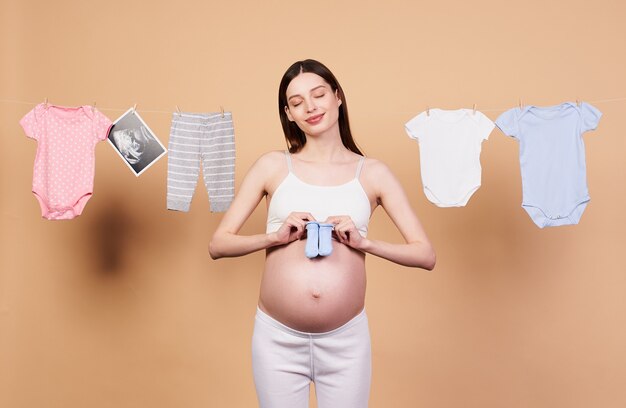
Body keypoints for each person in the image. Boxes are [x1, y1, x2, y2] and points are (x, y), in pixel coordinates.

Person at [209, 59, 435, 408]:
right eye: (297, 102)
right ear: (288, 113)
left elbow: (425, 254)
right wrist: (274, 237)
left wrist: (364, 243)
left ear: (338, 97)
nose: (310, 107)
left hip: (346, 342)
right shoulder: (272, 166)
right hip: (277, 339)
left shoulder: (372, 172)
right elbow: (218, 244)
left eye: (318, 95)